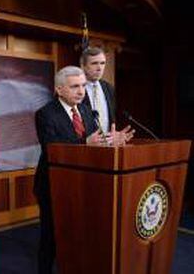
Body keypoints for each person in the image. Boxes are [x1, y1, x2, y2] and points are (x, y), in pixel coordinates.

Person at [34, 66, 134, 274]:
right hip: (53, 186)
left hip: (84, 185)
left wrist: (111, 141)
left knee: (80, 235)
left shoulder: (88, 112)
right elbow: (52, 148)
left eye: (82, 86)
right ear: (59, 89)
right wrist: (85, 142)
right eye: (74, 87)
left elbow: (95, 144)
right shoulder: (45, 114)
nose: (81, 91)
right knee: (51, 236)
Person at [80, 46, 115, 134]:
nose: (99, 68)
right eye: (94, 63)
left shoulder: (108, 88)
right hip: (84, 144)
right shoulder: (76, 87)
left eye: (102, 63)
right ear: (83, 66)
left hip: (107, 144)